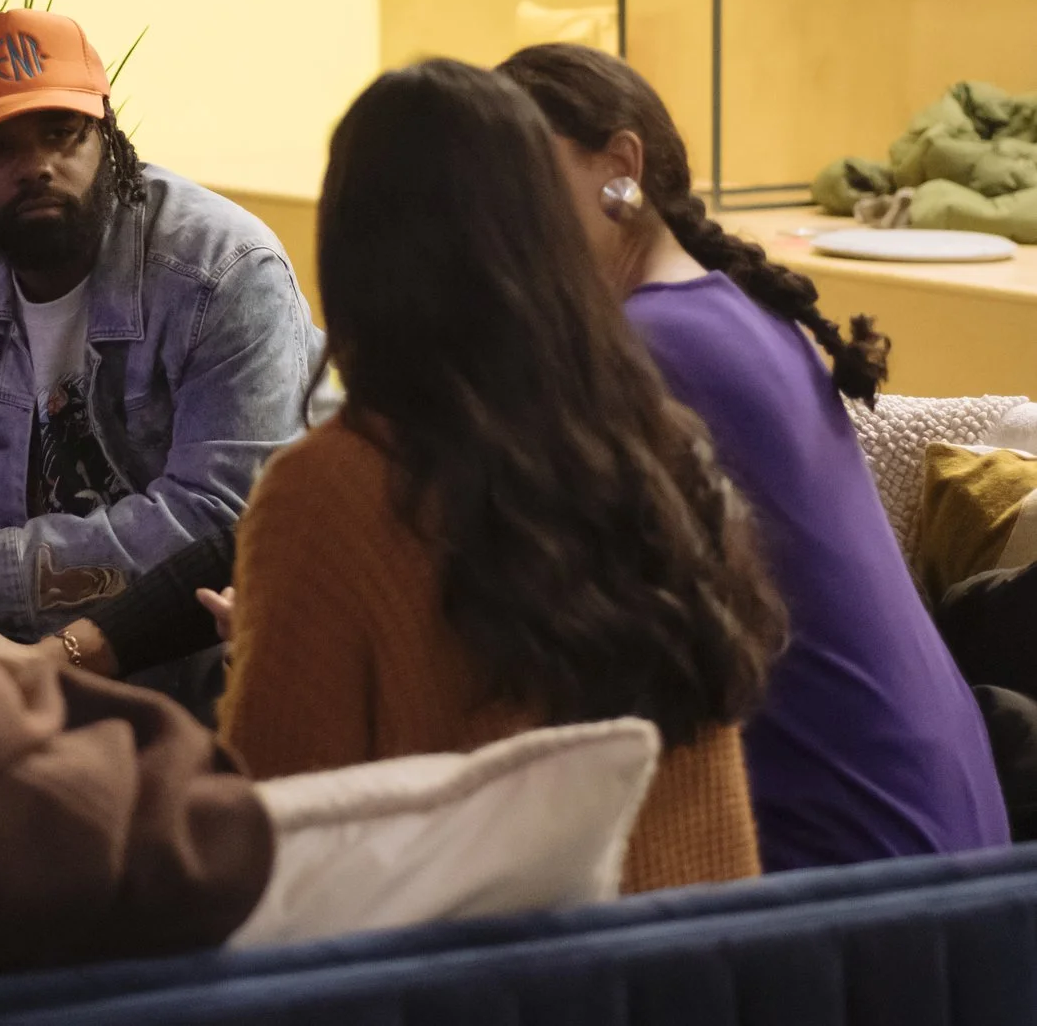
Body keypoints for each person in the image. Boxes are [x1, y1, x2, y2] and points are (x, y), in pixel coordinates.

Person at [219, 59, 787, 893]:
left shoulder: (334, 488)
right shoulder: (656, 446)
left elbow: (273, 850)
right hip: (713, 975)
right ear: (546, 236)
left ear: (352, 254)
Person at [497, 42, 1009, 871]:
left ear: (620, 167)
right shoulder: (729, 311)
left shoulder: (649, 349)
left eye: (520, 183)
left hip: (845, 854)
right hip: (938, 827)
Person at [0, 8, 319, 641]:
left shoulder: (224, 273)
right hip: (12, 627)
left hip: (194, 637)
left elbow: (226, 523)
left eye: (62, 133)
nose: (37, 167)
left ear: (108, 135)